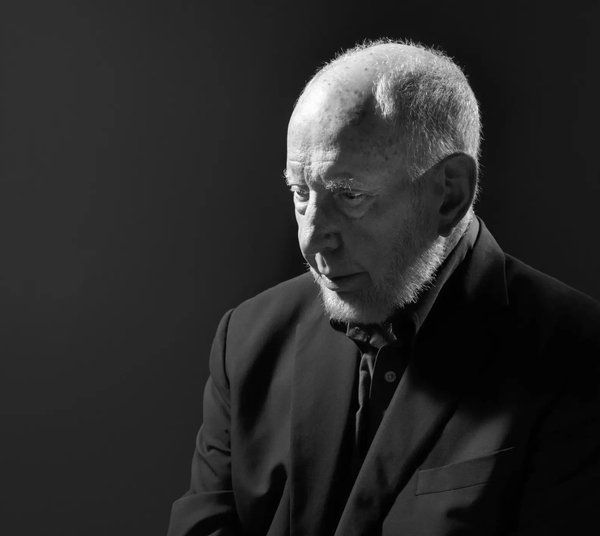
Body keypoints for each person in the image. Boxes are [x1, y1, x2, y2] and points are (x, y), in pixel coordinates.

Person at [167, 40, 600, 536]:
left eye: (349, 195)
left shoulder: (581, 359)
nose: (311, 239)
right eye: (299, 192)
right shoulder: (245, 339)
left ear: (449, 192)